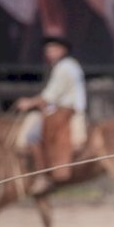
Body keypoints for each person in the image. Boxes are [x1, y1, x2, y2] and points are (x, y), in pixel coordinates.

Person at [15, 35, 87, 191]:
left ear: (63, 50)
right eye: (48, 50)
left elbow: (50, 96)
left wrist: (29, 103)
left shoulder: (65, 68)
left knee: (33, 135)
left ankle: (43, 175)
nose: (50, 53)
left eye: (53, 49)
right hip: (63, 108)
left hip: (64, 110)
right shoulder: (68, 66)